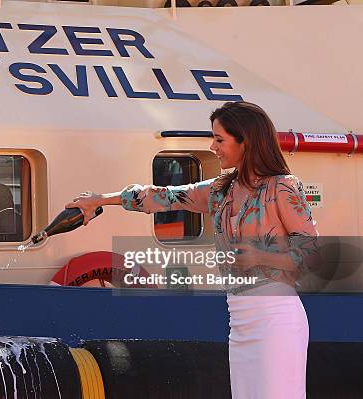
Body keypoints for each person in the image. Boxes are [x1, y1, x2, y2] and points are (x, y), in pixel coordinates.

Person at [66, 101, 319, 399]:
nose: (213, 147)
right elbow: (161, 197)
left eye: (220, 139)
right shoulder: (220, 190)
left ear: (246, 141)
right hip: (239, 321)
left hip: (276, 320)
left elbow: (311, 251)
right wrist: (99, 200)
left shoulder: (283, 187)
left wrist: (261, 256)